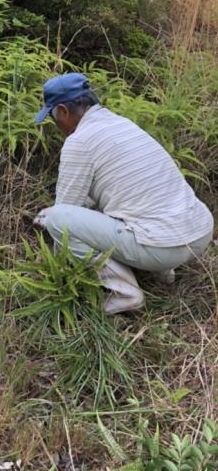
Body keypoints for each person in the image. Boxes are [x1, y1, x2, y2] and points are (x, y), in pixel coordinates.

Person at [33, 72, 214, 314]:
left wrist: (55, 271)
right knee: (133, 203)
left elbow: (66, 212)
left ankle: (125, 292)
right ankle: (163, 275)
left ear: (63, 111)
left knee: (57, 218)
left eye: (53, 118)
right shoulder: (122, 123)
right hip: (199, 233)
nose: (56, 127)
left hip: (163, 247)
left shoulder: (80, 142)